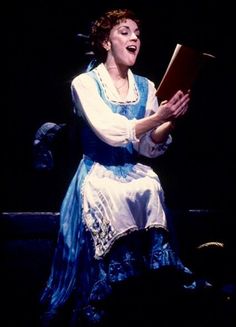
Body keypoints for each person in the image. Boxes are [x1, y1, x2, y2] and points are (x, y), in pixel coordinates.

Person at [40, 8, 206, 327]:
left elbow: (146, 146)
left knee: (150, 184)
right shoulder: (84, 84)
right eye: (125, 32)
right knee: (109, 194)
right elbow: (112, 132)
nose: (134, 39)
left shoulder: (145, 85)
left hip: (132, 170)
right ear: (106, 41)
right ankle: (106, 292)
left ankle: (149, 289)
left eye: (137, 34)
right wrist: (158, 117)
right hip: (98, 171)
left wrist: (169, 119)